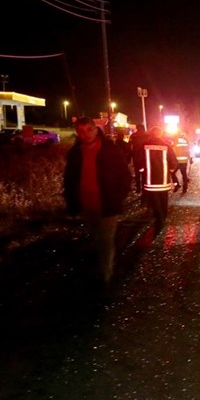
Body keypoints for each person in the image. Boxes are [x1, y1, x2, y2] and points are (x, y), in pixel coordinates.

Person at [62, 117, 132, 285]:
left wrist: (118, 197)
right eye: (81, 131)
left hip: (107, 204)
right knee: (96, 239)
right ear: (78, 133)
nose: (85, 135)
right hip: (87, 204)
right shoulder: (75, 152)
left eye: (88, 130)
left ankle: (106, 276)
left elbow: (125, 176)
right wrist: (71, 200)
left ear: (95, 129)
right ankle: (99, 269)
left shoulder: (109, 149)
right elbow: (69, 178)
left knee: (106, 240)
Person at [137, 126, 178, 231]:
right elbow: (173, 162)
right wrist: (171, 171)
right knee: (164, 200)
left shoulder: (144, 146)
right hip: (163, 180)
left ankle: (158, 219)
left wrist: (142, 171)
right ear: (160, 134)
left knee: (154, 202)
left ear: (151, 134)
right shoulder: (166, 146)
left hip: (150, 181)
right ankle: (163, 218)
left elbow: (139, 161)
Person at [128, 124, 149, 195]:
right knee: (145, 174)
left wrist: (129, 157)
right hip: (145, 157)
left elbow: (129, 147)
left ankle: (138, 188)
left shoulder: (133, 136)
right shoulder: (147, 135)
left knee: (137, 173)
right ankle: (144, 188)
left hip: (136, 157)